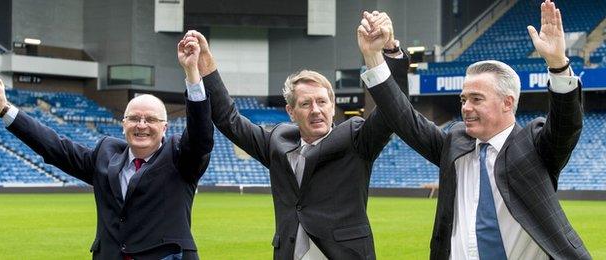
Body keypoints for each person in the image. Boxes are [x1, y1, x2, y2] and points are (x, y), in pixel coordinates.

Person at [358, 1, 591, 259]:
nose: (466, 107)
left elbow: (566, 125)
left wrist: (558, 64)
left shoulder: (534, 146)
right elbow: (403, 118)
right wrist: (377, 55)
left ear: (507, 102)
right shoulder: (455, 143)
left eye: (476, 99)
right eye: (463, 99)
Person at [176, 26, 408, 259]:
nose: (316, 110)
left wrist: (391, 52)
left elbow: (392, 111)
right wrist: (204, 61)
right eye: (306, 104)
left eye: (321, 102)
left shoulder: (356, 138)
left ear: (332, 104)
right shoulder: (278, 142)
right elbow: (229, 120)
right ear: (291, 111)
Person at [0, 37, 213, 259]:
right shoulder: (106, 154)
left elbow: (201, 137)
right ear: (123, 125)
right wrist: (4, 109)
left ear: (164, 127)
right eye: (134, 118)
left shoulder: (180, 157)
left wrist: (192, 74)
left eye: (150, 119)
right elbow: (55, 147)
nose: (141, 125)